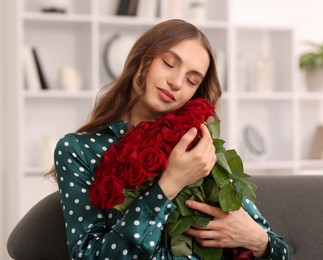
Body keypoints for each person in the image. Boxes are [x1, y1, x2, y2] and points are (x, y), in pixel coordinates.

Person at [53, 19, 290, 259]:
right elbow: (87, 256)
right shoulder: (78, 150)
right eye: (169, 63)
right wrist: (168, 186)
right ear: (143, 60)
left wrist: (258, 240)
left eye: (191, 80)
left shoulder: (199, 148)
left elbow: (282, 252)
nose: (176, 83)